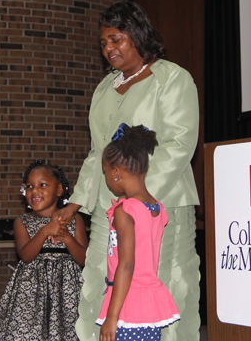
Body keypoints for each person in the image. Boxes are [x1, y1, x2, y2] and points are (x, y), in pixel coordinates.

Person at [56, 0, 200, 341]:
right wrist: (74, 204)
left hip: (158, 209)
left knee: (163, 289)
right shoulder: (105, 88)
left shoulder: (172, 79)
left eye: (116, 39)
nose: (109, 48)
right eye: (104, 42)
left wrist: (136, 197)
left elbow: (179, 144)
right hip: (109, 210)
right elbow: (98, 153)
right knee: (99, 288)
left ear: (137, 35)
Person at [0, 161, 88, 341]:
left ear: (58, 190)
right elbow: (25, 256)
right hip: (30, 291)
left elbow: (84, 260)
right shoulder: (22, 221)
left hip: (67, 290)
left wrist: (67, 239)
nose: (35, 191)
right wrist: (45, 231)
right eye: (29, 187)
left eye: (43, 185)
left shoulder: (75, 220)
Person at [97, 124, 180, 341]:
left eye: (105, 172)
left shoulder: (125, 212)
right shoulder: (157, 209)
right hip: (148, 304)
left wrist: (112, 317)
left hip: (127, 305)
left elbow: (127, 264)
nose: (106, 179)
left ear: (116, 173)